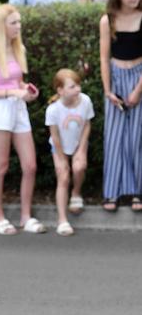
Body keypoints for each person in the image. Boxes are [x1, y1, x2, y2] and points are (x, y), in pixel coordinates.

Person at [0, 4, 44, 234]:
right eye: (13, 22)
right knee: (1, 165)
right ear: (2, 25)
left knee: (30, 165)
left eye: (19, 22)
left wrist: (26, 90)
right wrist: (12, 93)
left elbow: (18, 83)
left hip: (18, 109)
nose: (18, 26)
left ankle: (26, 217)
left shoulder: (18, 48)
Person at [99, 0, 142, 212]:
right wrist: (108, 90)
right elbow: (104, 58)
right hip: (116, 76)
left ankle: (136, 191)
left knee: (136, 138)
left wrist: (137, 91)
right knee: (114, 137)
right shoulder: (108, 20)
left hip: (139, 76)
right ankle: (112, 192)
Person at [45, 69, 93, 235]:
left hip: (78, 142)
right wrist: (62, 159)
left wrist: (80, 149)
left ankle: (76, 193)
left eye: (78, 85)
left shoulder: (85, 101)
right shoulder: (53, 110)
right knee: (63, 175)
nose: (78, 89)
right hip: (59, 146)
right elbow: (55, 136)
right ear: (60, 91)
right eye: (72, 87)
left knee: (79, 166)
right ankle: (62, 220)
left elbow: (87, 125)